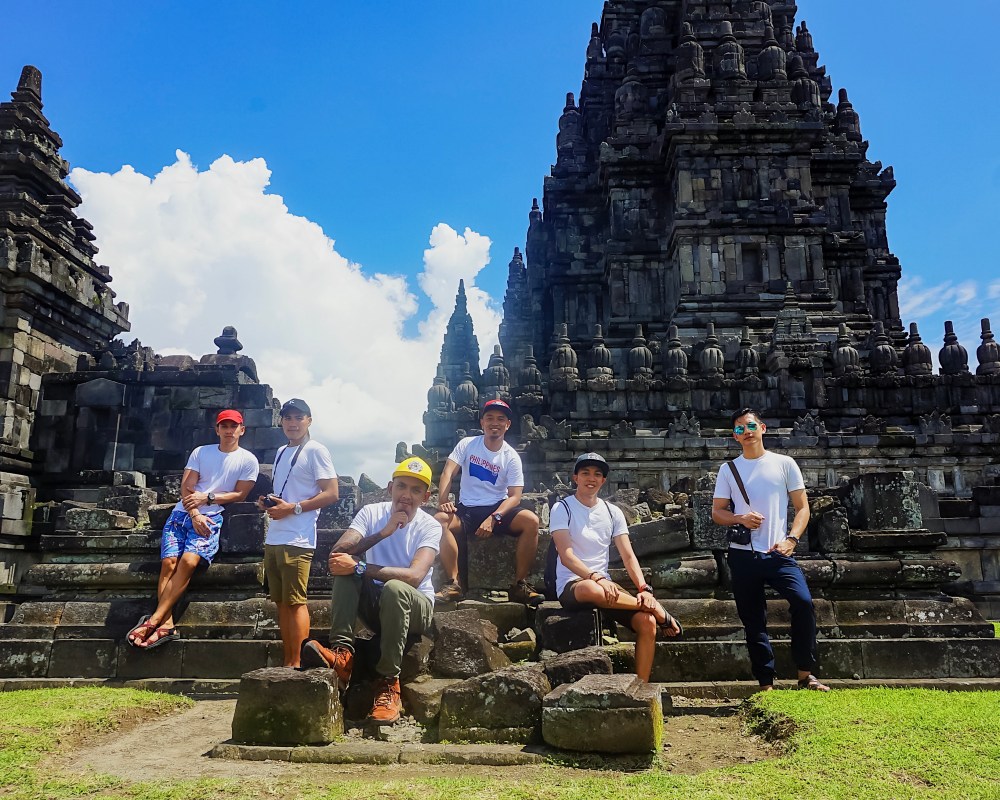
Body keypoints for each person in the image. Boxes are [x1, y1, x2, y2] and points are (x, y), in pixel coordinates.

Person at [300, 457, 441, 724]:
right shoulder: (371, 514)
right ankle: (343, 655)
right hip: (377, 604)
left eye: (416, 490)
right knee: (346, 568)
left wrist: (362, 567)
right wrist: (383, 533)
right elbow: (337, 555)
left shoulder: (430, 526)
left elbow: (414, 576)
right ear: (390, 488)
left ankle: (389, 683)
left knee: (393, 586)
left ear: (426, 496)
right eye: (401, 486)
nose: (406, 496)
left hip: (415, 607)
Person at [711, 407, 830, 692]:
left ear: (762, 428)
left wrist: (792, 540)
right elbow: (717, 512)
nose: (746, 432)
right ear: (734, 436)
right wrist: (740, 518)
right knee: (753, 620)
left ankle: (805, 674)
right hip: (743, 553)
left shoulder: (785, 464)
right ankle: (766, 682)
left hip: (779, 551)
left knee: (803, 603)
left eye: (750, 426)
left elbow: (803, 508)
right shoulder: (729, 470)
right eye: (739, 429)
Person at [127, 409, 259, 648]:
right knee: (168, 564)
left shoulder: (248, 460)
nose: (228, 431)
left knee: (188, 561)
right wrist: (195, 512)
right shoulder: (201, 452)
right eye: (224, 426)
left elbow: (240, 494)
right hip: (182, 514)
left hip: (212, 517)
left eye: (233, 426)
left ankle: (153, 620)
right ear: (217, 429)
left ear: (242, 430)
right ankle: (166, 624)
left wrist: (207, 499)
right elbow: (187, 487)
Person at [550, 452, 682, 682]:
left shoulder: (612, 512)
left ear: (603, 481)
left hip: (605, 586)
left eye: (597, 474)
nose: (590, 478)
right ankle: (656, 609)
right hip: (574, 584)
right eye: (585, 473)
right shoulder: (563, 508)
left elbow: (628, 555)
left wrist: (643, 588)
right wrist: (595, 577)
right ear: (575, 478)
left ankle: (641, 684)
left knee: (647, 623)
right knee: (590, 589)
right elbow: (566, 555)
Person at [258, 398, 340, 668]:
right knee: (281, 603)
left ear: (309, 421)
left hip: (298, 538)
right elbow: (289, 493)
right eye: (288, 418)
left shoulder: (316, 450)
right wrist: (271, 502)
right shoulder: (281, 451)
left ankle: (298, 662)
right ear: (281, 421)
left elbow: (331, 493)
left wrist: (293, 508)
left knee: (295, 602)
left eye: (298, 418)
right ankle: (288, 660)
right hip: (275, 536)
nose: (292, 423)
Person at [434, 399, 541, 604]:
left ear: (507, 424)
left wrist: (494, 518)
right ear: (482, 422)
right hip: (467, 510)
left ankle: (520, 584)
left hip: (497, 509)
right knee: (440, 520)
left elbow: (515, 496)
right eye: (490, 418)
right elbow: (449, 471)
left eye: (501, 419)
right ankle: (453, 583)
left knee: (531, 521)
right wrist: (443, 500)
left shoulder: (511, 456)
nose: (495, 423)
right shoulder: (467, 444)